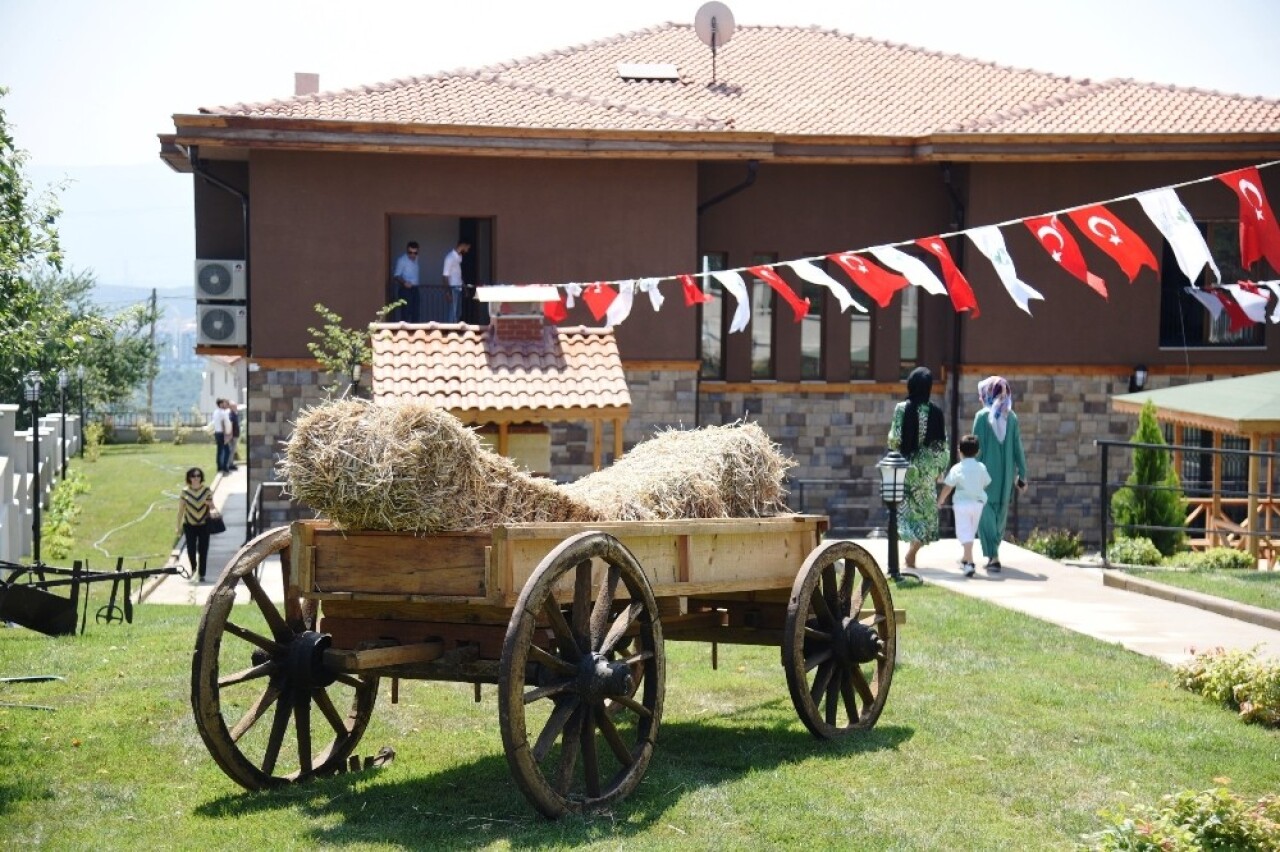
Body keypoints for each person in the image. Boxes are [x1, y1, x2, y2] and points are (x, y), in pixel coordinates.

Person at [887, 366, 949, 569]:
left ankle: (905, 555)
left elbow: (894, 440)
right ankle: (913, 551)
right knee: (927, 514)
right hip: (926, 472)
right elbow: (943, 447)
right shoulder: (937, 413)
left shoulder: (902, 409)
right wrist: (938, 470)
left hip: (905, 469)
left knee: (904, 513)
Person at [972, 375, 1028, 573]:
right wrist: (1022, 475)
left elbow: (974, 448)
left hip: (984, 476)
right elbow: (1018, 449)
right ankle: (994, 554)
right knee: (1000, 515)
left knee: (984, 513)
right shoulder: (1011, 417)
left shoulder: (981, 417)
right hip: (1004, 477)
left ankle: (992, 555)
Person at [937, 434, 992, 577]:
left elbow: (948, 486)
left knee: (964, 533)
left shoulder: (957, 468)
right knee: (970, 532)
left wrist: (941, 500)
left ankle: (970, 563)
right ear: (978, 452)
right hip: (978, 504)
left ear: (959, 450)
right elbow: (986, 482)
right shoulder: (981, 467)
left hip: (962, 504)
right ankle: (965, 558)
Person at [176, 467, 213, 582]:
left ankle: (202, 574)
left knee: (203, 550)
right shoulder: (185, 491)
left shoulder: (206, 490)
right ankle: (193, 568)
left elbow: (212, 506)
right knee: (191, 549)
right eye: (193, 476)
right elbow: (181, 510)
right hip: (189, 525)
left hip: (204, 525)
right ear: (189, 478)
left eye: (198, 476)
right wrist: (178, 526)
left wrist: (208, 503)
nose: (196, 478)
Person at [442, 240, 470, 324]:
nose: (468, 249)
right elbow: (445, 276)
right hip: (453, 288)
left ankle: (455, 329)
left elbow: (458, 275)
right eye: (468, 247)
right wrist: (447, 292)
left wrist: (464, 288)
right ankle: (451, 331)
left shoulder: (459, 257)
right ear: (463, 245)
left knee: (458, 313)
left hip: (459, 288)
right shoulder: (450, 258)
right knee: (453, 312)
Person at [392, 241, 422, 322]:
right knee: (406, 313)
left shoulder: (416, 259)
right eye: (410, 252)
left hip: (415, 289)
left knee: (416, 313)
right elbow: (396, 275)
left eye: (415, 253)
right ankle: (404, 333)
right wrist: (405, 282)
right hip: (405, 290)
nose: (412, 255)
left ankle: (415, 333)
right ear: (407, 251)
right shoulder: (402, 260)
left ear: (417, 252)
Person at [211, 398, 233, 473]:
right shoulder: (222, 413)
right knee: (227, 451)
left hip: (217, 433)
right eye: (223, 403)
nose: (225, 405)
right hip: (222, 433)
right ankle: (224, 466)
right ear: (220, 404)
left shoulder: (215, 412)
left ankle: (219, 466)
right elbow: (223, 424)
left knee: (219, 450)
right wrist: (226, 436)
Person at [227, 400, 241, 471]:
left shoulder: (234, 414)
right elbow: (231, 425)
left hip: (235, 434)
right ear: (231, 407)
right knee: (232, 450)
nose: (236, 407)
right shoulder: (231, 415)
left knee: (233, 450)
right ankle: (230, 464)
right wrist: (230, 435)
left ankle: (231, 463)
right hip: (233, 435)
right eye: (234, 406)